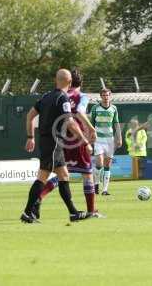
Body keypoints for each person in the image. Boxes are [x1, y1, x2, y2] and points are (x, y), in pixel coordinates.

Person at [20, 69, 91, 223]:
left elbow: (30, 116)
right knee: (43, 177)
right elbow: (70, 122)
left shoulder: (46, 96)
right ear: (70, 82)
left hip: (48, 141)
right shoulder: (63, 98)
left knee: (64, 175)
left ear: (55, 80)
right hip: (53, 142)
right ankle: (27, 213)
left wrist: (30, 136)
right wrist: (85, 141)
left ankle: (73, 213)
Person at [33, 69, 103, 218]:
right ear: (81, 83)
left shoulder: (61, 94)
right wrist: (91, 129)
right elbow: (79, 112)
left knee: (62, 174)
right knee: (87, 174)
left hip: (61, 140)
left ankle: (39, 197)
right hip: (76, 138)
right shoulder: (81, 96)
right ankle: (91, 211)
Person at [91, 88, 122, 195]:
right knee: (99, 163)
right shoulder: (95, 108)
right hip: (98, 139)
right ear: (101, 96)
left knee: (108, 164)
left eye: (107, 95)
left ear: (110, 96)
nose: (105, 97)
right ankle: (96, 183)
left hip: (110, 140)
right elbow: (91, 123)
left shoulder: (114, 108)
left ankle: (105, 190)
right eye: (103, 95)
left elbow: (116, 124)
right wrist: (91, 135)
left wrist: (119, 138)